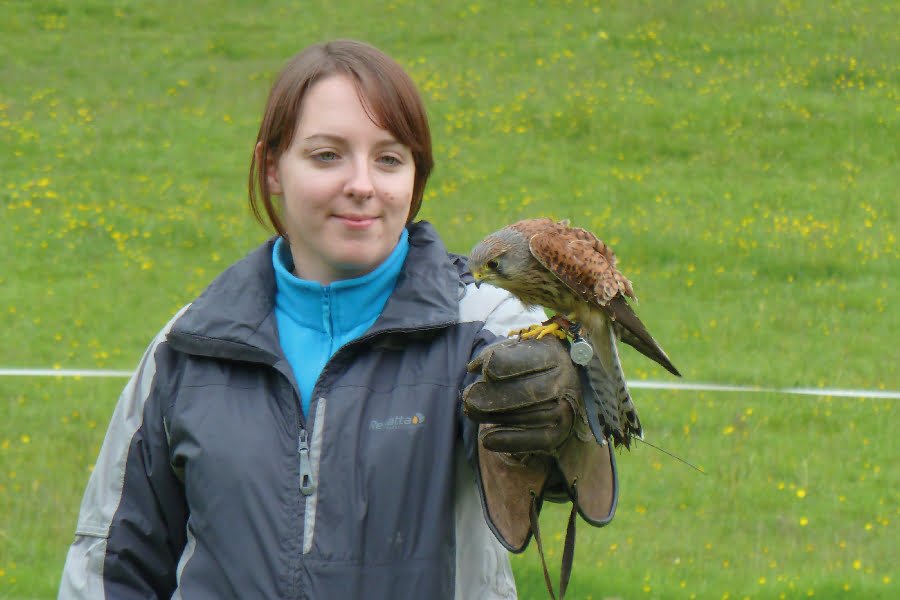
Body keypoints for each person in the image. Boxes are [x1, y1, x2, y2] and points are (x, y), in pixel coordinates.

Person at [58, 39, 615, 600]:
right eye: (327, 155)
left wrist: (567, 418)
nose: (362, 184)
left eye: (389, 159)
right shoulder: (189, 345)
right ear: (272, 168)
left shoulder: (482, 326)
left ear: (415, 179)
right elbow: (110, 562)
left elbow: (556, 470)